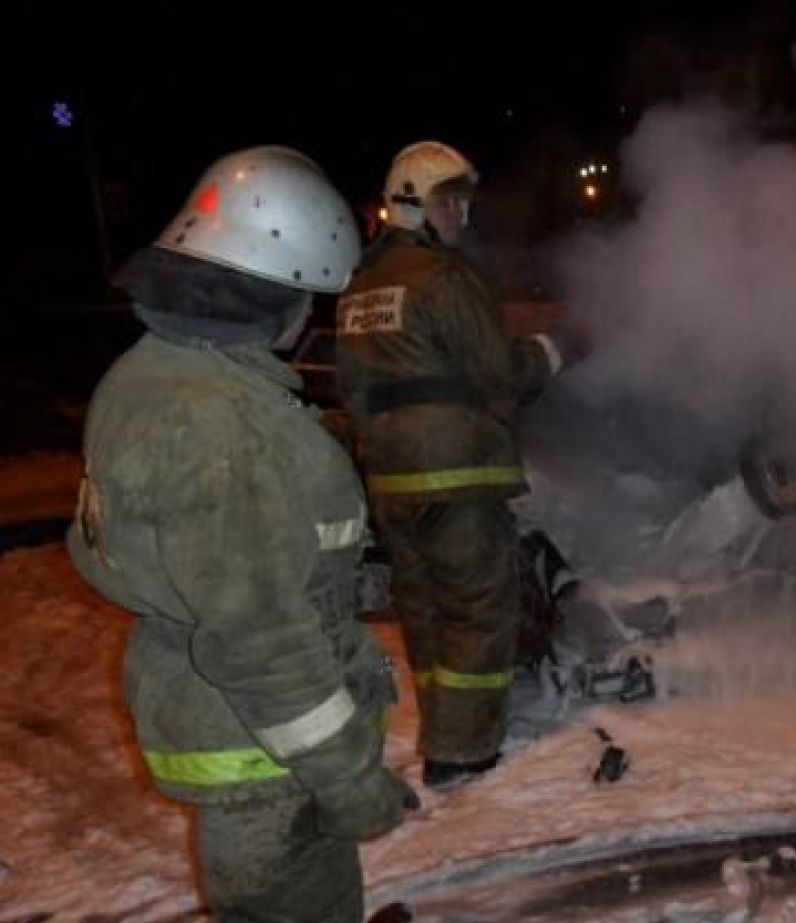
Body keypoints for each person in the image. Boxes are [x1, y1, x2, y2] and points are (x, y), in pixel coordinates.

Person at [67, 146, 418, 923]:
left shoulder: (151, 375)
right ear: (280, 296)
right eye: (308, 299)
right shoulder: (228, 429)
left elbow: (220, 561)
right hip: (266, 759)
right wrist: (353, 781)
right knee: (293, 902)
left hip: (232, 731)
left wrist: (361, 583)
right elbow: (262, 641)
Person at [336, 141, 577, 789]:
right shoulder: (444, 279)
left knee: (425, 612)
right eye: (448, 202)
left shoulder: (360, 289)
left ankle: (446, 728)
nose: (460, 216)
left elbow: (352, 392)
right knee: (478, 608)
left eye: (464, 203)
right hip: (457, 475)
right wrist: (553, 352)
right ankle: (464, 752)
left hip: (392, 480)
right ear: (410, 204)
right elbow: (500, 370)